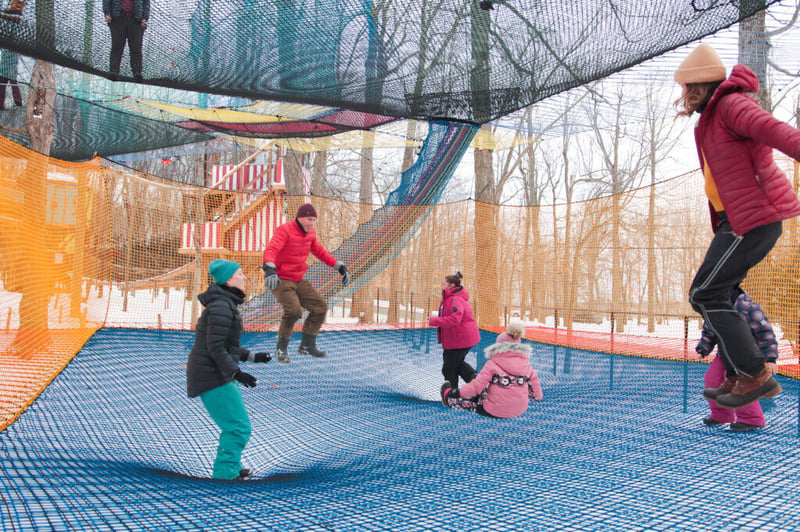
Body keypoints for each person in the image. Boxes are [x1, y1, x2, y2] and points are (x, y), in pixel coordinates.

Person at [674, 43, 800, 409]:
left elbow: (772, 129)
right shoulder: (711, 118)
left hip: (753, 218)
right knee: (720, 295)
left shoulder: (731, 104)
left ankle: (755, 375)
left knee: (705, 293)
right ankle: (738, 373)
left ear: (699, 84)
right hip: (737, 220)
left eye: (686, 87)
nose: (683, 95)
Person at [186, 259, 272, 480]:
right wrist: (236, 372)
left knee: (236, 425)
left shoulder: (225, 304)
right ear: (228, 279)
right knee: (238, 427)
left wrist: (253, 357)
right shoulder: (221, 307)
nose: (245, 277)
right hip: (212, 375)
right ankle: (225, 474)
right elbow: (214, 347)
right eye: (241, 273)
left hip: (217, 372)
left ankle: (230, 466)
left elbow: (226, 345)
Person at [261, 203, 350, 363]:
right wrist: (269, 267)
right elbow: (272, 249)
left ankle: (307, 345)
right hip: (281, 278)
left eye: (314, 220)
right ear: (300, 218)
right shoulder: (285, 230)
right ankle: (281, 349)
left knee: (320, 307)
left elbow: (320, 252)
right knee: (294, 311)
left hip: (298, 278)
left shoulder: (310, 234)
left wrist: (339, 266)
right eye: (309, 219)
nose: (311, 223)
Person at [696, 289, 778, 432]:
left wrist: (770, 358)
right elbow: (709, 331)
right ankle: (721, 414)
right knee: (712, 379)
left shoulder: (750, 309)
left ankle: (752, 419)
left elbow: (765, 333)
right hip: (725, 354)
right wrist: (703, 349)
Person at [440, 319, 542, 418]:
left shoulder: (492, 365)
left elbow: (475, 389)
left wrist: (458, 392)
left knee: (471, 400)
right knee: (484, 383)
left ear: (498, 347)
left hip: (494, 410)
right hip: (520, 409)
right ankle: (477, 380)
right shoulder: (527, 367)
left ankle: (447, 398)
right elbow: (537, 396)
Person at [428, 272, 481, 388]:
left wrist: (434, 321)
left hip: (461, 340)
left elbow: (454, 319)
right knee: (454, 365)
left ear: (451, 285)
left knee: (449, 368)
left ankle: (454, 392)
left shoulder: (455, 299)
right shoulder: (450, 298)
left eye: (444, 283)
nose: (441, 285)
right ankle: (476, 383)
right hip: (455, 339)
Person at [103, 0, 149, 82]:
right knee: (117, 46)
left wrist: (145, 18)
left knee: (136, 48)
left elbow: (146, 3)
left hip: (136, 20)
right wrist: (107, 13)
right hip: (118, 18)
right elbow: (106, 1)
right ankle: (113, 71)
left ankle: (137, 73)